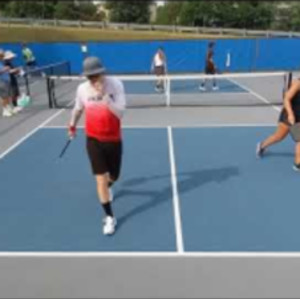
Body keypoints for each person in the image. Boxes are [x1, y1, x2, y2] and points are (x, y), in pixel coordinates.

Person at [68, 56, 126, 235]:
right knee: (100, 179)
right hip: (93, 139)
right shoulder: (82, 89)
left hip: (113, 139)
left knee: (114, 176)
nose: (92, 80)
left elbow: (120, 113)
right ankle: (109, 217)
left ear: (102, 72)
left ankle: (110, 185)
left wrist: (105, 98)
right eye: (89, 77)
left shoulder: (115, 85)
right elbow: (78, 108)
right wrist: (72, 125)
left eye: (95, 76)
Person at [256, 76, 300, 171]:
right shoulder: (298, 84)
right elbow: (286, 99)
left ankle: (297, 164)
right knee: (279, 136)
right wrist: (290, 114)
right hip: (289, 114)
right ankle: (262, 145)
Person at [0, 49, 14, 117]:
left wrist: (9, 70)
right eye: (1, 56)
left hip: (6, 81)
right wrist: (5, 69)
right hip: (2, 81)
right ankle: (4, 111)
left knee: (8, 96)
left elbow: (6, 71)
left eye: (2, 56)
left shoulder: (1, 63)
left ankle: (8, 108)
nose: (3, 57)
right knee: (4, 97)